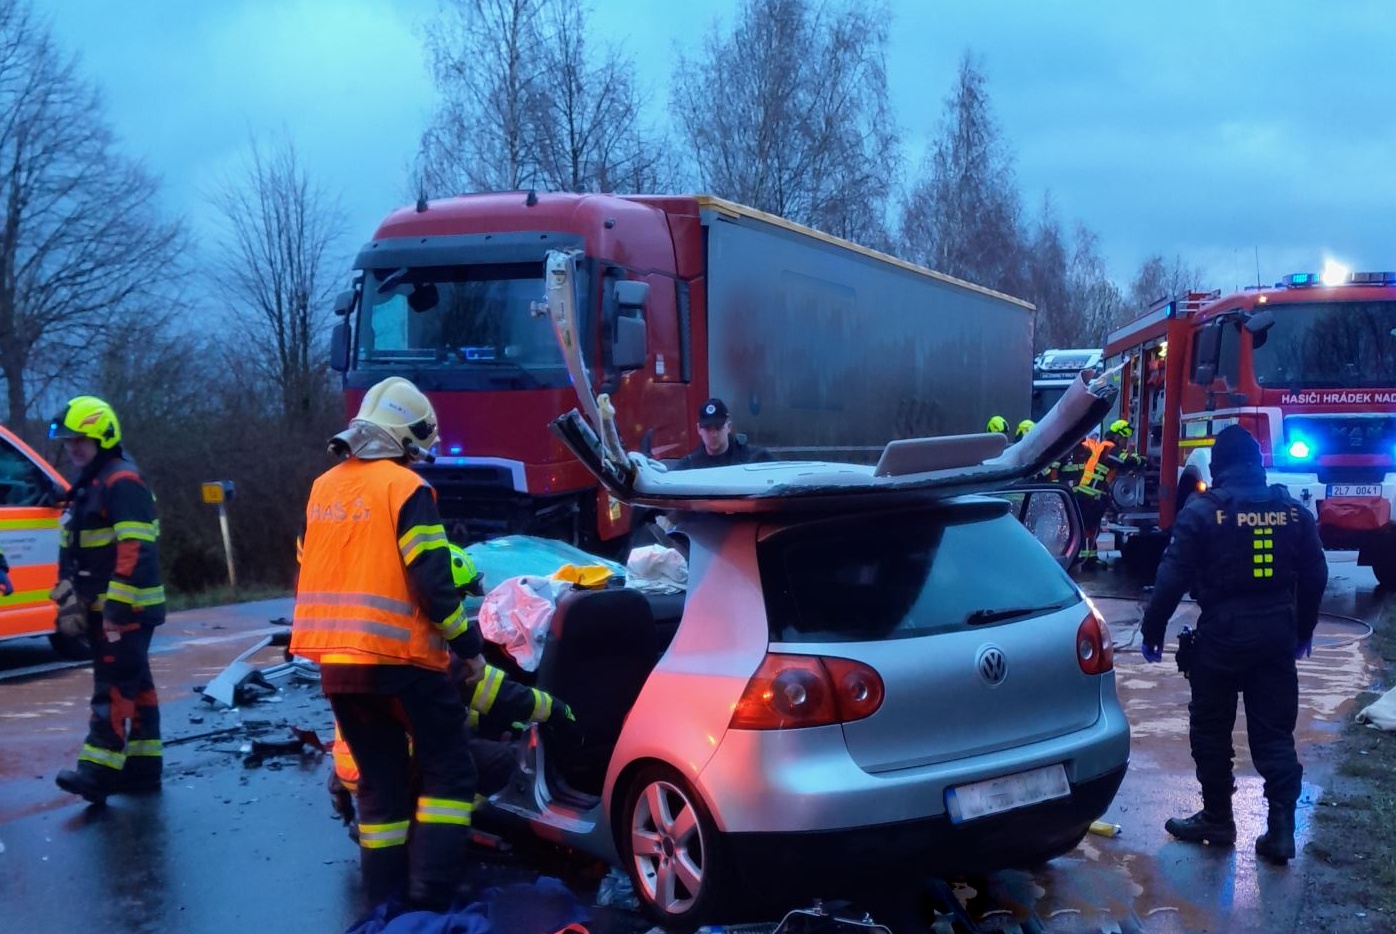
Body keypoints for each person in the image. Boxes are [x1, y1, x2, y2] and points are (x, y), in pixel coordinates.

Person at [292, 376, 486, 911]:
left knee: (380, 784)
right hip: (401, 661)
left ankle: (384, 904)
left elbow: (312, 568)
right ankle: (430, 900)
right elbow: (433, 581)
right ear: (407, 439)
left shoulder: (322, 488)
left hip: (337, 667)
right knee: (450, 771)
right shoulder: (406, 489)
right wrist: (468, 647)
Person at [1140, 425, 1328, 865]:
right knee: (1275, 734)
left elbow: (1171, 577)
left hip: (1221, 637)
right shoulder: (1293, 511)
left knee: (1210, 728)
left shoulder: (1203, 511)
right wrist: (1302, 631)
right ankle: (1280, 831)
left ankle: (1218, 819)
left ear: (1219, 466)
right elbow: (1316, 574)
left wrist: (1153, 631)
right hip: (1276, 635)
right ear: (1258, 463)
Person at [326, 544, 583, 837]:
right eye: (459, 597)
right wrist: (557, 710)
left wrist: (340, 787)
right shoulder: (429, 649)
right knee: (506, 762)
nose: (459, 607)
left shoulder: (381, 637)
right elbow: (498, 693)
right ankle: (464, 828)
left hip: (356, 768)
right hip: (402, 767)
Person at [49, 396, 166, 805]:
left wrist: (117, 605)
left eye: (80, 440)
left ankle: (96, 772)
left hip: (124, 609)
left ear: (103, 438)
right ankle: (143, 767)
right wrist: (69, 593)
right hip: (108, 606)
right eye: (69, 442)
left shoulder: (121, 481)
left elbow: (136, 546)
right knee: (138, 685)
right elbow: (77, 544)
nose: (73, 448)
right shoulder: (91, 483)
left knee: (113, 687)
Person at [673, 397, 771, 469]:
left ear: (729, 427)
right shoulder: (688, 466)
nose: (713, 434)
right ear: (699, 429)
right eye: (707, 429)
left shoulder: (756, 459)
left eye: (718, 428)